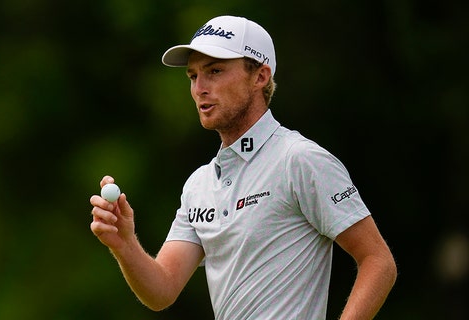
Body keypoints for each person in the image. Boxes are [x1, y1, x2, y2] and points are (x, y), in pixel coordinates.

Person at [90, 15, 397, 319]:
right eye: (193, 76)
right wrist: (125, 244)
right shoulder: (199, 184)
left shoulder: (299, 159)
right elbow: (162, 290)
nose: (200, 88)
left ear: (260, 77)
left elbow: (378, 260)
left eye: (215, 71)